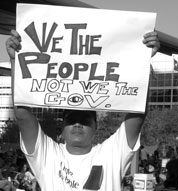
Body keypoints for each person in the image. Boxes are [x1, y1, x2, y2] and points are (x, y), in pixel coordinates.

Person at [6, 29, 160, 191]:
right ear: (62, 127)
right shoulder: (47, 155)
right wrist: (16, 60)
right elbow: (22, 114)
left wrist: (143, 58)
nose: (78, 124)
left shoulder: (111, 154)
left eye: (85, 120)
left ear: (95, 126)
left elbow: (138, 113)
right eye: (72, 119)